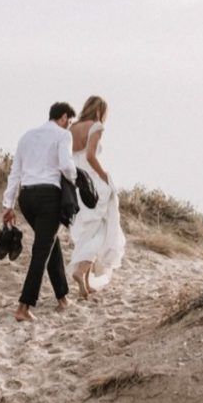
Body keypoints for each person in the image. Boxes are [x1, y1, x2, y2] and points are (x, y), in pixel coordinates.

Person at [1, 102, 78, 322]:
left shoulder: (27, 136)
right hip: (48, 197)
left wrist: (9, 204)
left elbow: (15, 173)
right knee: (42, 250)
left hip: (27, 198)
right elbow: (65, 165)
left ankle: (62, 297)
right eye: (69, 122)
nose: (69, 126)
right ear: (63, 117)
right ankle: (23, 307)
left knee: (49, 243)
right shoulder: (63, 135)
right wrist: (75, 180)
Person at [66, 96, 126, 299]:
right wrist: (104, 176)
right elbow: (91, 156)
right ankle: (81, 270)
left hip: (76, 183)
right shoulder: (96, 126)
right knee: (101, 230)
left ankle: (85, 282)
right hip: (93, 183)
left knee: (87, 231)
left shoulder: (72, 128)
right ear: (100, 111)